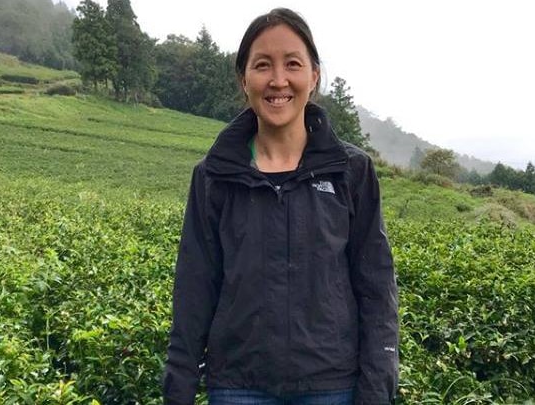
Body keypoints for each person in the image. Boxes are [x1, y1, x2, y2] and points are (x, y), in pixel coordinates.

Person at [162, 7, 398, 405]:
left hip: (332, 386)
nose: (278, 80)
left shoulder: (351, 172)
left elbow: (376, 288)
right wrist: (179, 387)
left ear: (314, 76)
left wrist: (376, 389)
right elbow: (195, 287)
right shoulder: (215, 176)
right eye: (262, 65)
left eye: (292, 63)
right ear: (244, 79)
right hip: (237, 386)